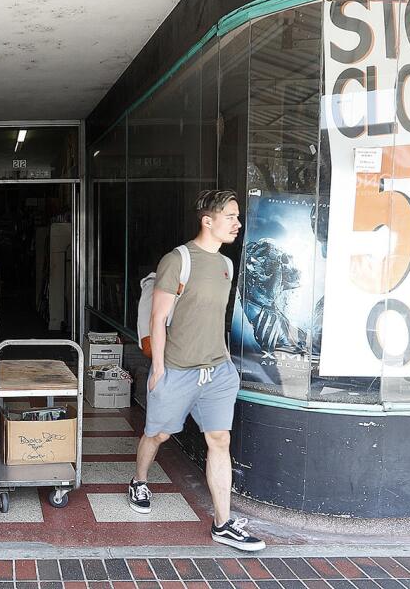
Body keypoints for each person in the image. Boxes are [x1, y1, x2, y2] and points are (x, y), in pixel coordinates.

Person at [128, 189, 265, 552]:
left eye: (238, 216)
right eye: (231, 216)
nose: (238, 223)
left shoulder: (227, 264)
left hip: (217, 371)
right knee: (158, 435)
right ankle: (139, 479)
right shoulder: (179, 260)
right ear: (208, 221)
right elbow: (158, 318)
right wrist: (157, 368)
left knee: (219, 440)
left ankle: (223, 523)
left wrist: (227, 366)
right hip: (177, 369)